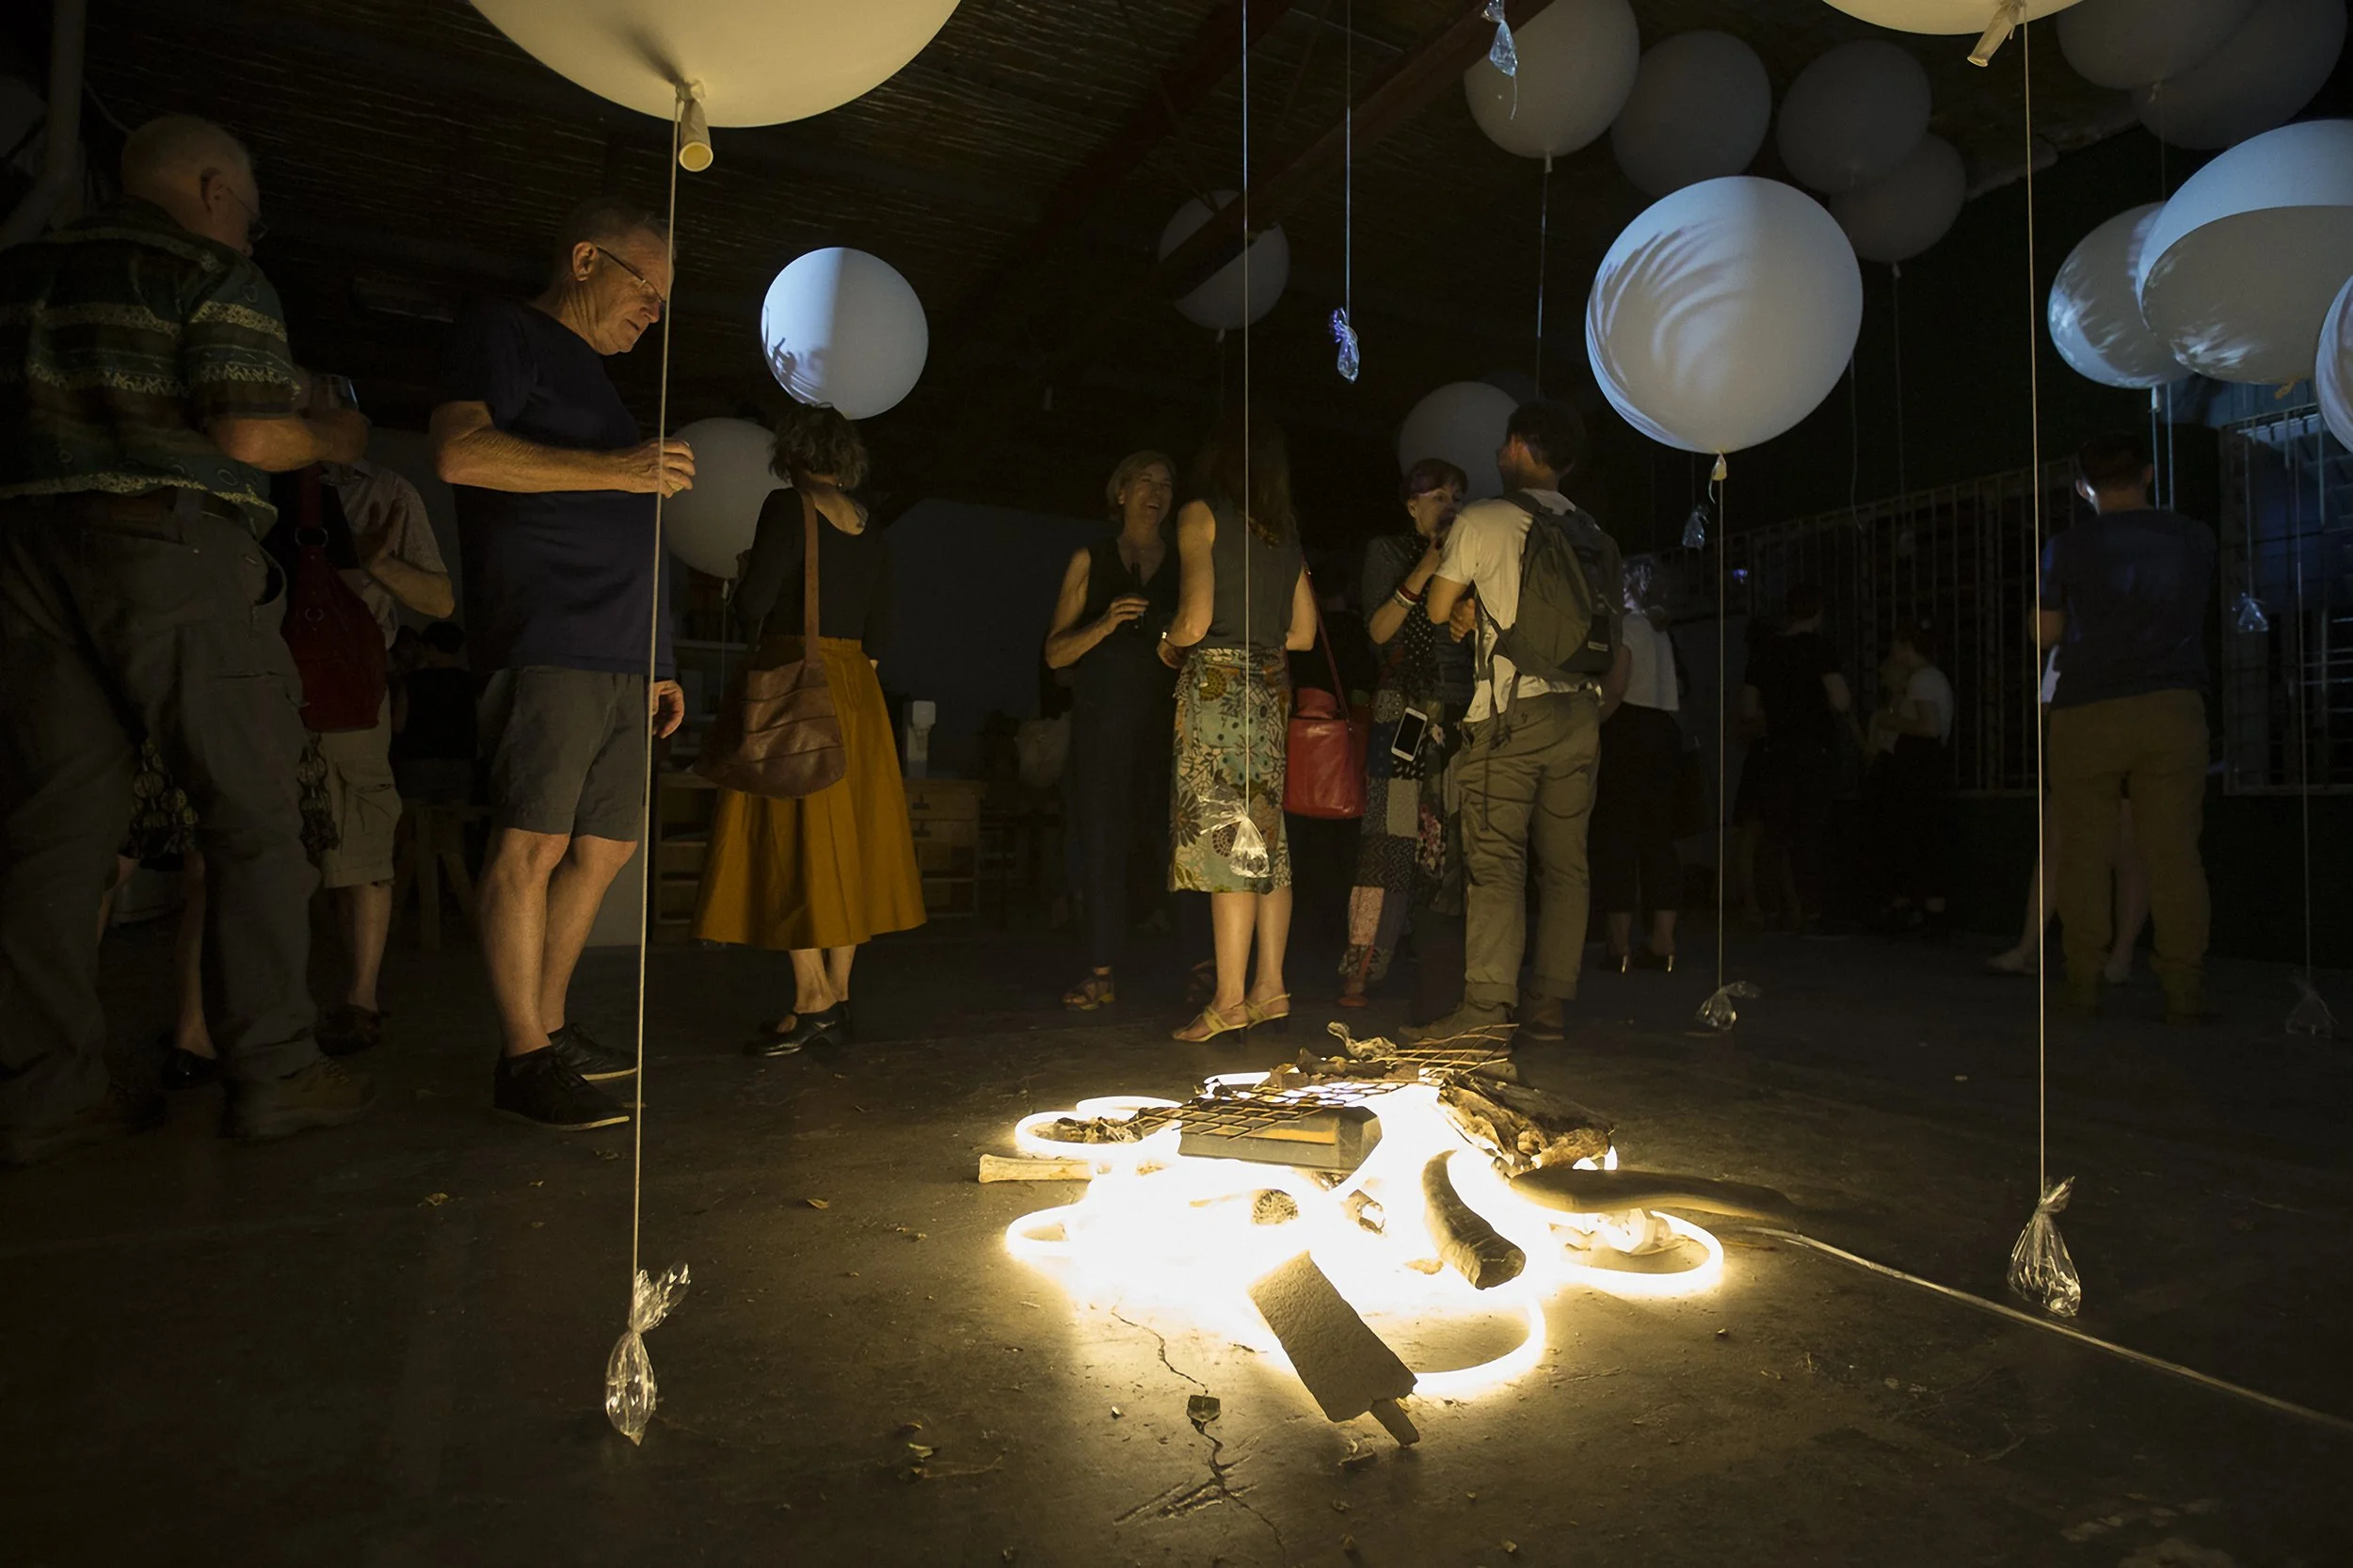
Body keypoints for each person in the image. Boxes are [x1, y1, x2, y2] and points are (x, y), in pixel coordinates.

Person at [0, 115, 376, 1163]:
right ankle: (276, 1068)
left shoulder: (22, 271)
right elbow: (250, 432)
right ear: (213, 188)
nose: (252, 234)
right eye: (251, 213)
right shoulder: (208, 271)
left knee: (55, 834)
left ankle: (45, 1091)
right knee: (253, 814)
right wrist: (337, 434)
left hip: (25, 557)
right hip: (173, 546)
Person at [431, 197, 691, 1129]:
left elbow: (635, 524)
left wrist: (659, 655)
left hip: (621, 649)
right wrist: (622, 471)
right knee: (531, 841)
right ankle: (522, 1055)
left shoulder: (601, 386)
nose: (653, 312)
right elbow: (460, 454)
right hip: (547, 634)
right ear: (585, 259)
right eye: (644, 287)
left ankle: (550, 1024)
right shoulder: (504, 332)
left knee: (609, 844)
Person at [696, 404, 925, 1053]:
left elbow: (756, 602)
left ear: (792, 454)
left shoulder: (786, 508)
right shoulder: (871, 526)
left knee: (787, 840)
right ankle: (839, 996)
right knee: (845, 845)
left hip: (796, 680)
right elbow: (879, 632)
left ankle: (811, 997)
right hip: (857, 690)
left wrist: (742, 578)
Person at [1414, 400, 1629, 1045]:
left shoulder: (1486, 518)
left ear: (1517, 448)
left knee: (1497, 863)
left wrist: (1472, 608)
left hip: (1509, 713)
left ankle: (1484, 1011)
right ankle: (1548, 1004)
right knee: (1566, 867)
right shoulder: (1595, 534)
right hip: (1579, 718)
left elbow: (1436, 609)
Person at [260, 454, 454, 1054]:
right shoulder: (252, 467)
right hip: (274, 685)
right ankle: (340, 1001)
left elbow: (439, 600)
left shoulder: (383, 487)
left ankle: (356, 1000)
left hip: (339, 689)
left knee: (358, 849)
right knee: (287, 853)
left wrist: (379, 563)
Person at [2039, 431, 2216, 1021]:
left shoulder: (2065, 546)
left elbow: (2046, 634)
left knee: (2085, 851)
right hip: (2172, 704)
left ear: (2083, 485)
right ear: (2146, 476)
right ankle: (2182, 987)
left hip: (2086, 708)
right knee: (2172, 853)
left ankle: (2084, 981)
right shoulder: (2194, 537)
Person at [1159, 411, 1317, 1043]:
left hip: (1216, 692)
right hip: (1266, 692)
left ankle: (1227, 1000)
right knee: (1268, 848)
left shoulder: (1201, 515)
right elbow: (1301, 634)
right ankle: (1270, 987)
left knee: (1231, 843)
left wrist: (1167, 644)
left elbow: (1194, 622)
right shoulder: (1283, 532)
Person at [1043, 450, 1179, 1012]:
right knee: (1099, 843)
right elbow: (1055, 654)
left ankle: (1194, 968)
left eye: (1166, 484)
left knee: (1171, 842)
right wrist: (1105, 624)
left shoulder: (1184, 561)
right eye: (1145, 481)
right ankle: (1100, 970)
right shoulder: (1091, 559)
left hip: (1166, 723)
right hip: (1103, 725)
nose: (1157, 491)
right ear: (1120, 492)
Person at [1339, 457, 1475, 1007]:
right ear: (1412, 503)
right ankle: (1362, 968)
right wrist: (1427, 566)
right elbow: (1376, 630)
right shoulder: (1388, 552)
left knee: (1452, 844)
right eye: (1439, 496)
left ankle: (1448, 975)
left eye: (1457, 497)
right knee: (1387, 842)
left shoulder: (1471, 557)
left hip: (1457, 711)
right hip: (1403, 713)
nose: (1450, 507)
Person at [1740, 584, 1854, 934]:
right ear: (1818, 613)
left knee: (1777, 834)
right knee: (1813, 830)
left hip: (1776, 751)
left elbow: (1748, 708)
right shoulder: (1821, 649)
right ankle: (1813, 911)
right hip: (1813, 750)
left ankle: (1776, 909)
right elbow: (1840, 701)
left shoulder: (1765, 653)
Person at [1592, 557, 1684, 971]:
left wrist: (1592, 720)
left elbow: (1616, 685)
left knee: (1619, 835)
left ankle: (1619, 943)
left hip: (1628, 730)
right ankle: (1663, 940)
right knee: (1659, 838)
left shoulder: (1628, 627)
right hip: (1665, 729)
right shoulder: (1663, 633)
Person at [1864, 620, 1952, 937]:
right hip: (1923, 768)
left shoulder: (1922, 680)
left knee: (1917, 836)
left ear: (1906, 647)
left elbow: (1930, 728)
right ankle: (1928, 912)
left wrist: (1890, 721)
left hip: (1918, 767)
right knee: (1921, 837)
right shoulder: (1929, 679)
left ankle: (1923, 913)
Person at [392, 621, 479, 807]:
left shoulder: (411, 681)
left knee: (413, 823)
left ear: (431, 648)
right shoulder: (470, 683)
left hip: (416, 763)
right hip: (459, 762)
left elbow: (398, 724)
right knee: (452, 826)